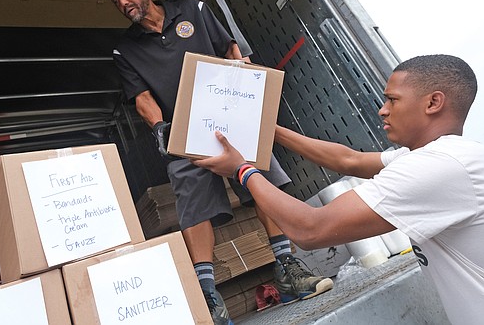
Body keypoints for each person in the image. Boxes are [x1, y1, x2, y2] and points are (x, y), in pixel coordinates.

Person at [107, 0, 333, 324]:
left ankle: (287, 270)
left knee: (262, 184)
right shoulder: (126, 49)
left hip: (231, 119)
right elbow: (142, 98)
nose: (123, 2)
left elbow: (230, 50)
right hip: (185, 135)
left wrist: (244, 82)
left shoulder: (194, 11)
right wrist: (161, 128)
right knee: (193, 206)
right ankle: (209, 297)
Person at [193, 54, 483, 324]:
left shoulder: (439, 168)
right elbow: (348, 160)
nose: (383, 110)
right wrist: (268, 129)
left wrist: (241, 170)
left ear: (433, 103)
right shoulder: (435, 157)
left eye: (392, 100)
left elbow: (311, 229)